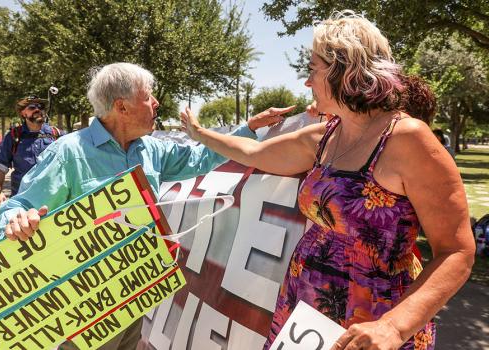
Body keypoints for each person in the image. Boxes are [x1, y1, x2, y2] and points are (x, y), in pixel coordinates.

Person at [180, 11, 475, 350]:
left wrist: (393, 327)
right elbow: (252, 152)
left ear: (345, 70)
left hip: (375, 320)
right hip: (305, 305)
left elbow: (456, 251)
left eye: (312, 70)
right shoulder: (323, 136)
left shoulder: (408, 140)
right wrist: (199, 133)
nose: (307, 82)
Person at [0, 62, 287, 350]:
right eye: (148, 96)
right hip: (88, 305)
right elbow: (19, 205)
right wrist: (16, 219)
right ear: (121, 107)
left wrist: (249, 128)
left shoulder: (151, 149)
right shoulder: (69, 153)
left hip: (135, 293)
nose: (156, 103)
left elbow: (202, 158)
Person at [0, 96, 63, 207]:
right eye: (32, 107)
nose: (38, 109)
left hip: (54, 200)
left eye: (40, 107)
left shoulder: (56, 134)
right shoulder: (13, 136)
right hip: (22, 201)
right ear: (23, 113)